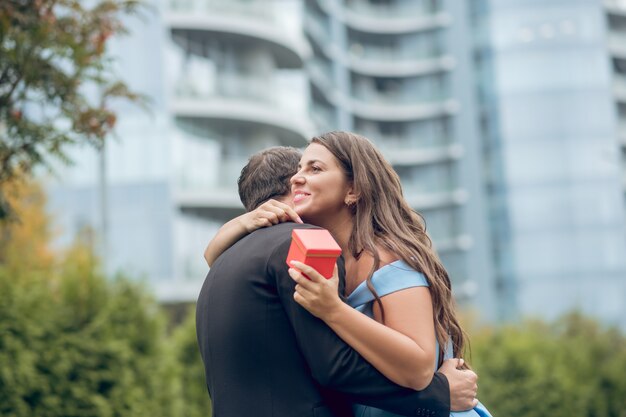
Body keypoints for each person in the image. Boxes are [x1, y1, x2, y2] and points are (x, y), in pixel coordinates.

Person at [204, 134, 491, 417]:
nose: (296, 178)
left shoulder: (391, 259)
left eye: (314, 169)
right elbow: (212, 256)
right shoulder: (325, 257)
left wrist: (334, 310)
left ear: (353, 190)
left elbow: (418, 370)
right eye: (299, 169)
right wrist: (246, 220)